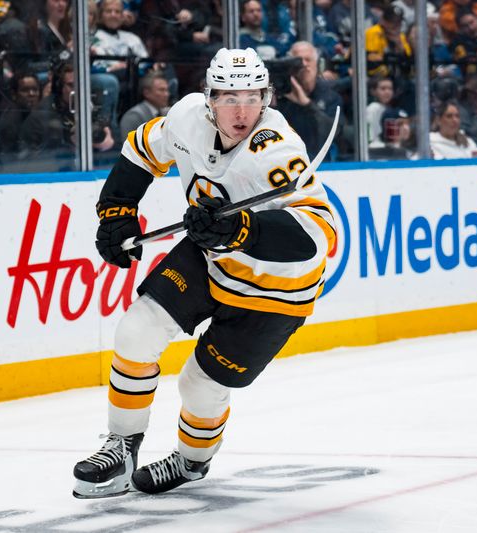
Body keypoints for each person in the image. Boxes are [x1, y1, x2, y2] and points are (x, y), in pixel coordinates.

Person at [73, 47, 336, 498]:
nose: (242, 110)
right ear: (208, 97)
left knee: (199, 383)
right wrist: (116, 212)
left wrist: (241, 227)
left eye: (253, 97)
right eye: (229, 97)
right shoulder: (187, 119)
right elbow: (140, 151)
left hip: (276, 290)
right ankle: (121, 446)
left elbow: (319, 238)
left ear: (267, 99)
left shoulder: (277, 150)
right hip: (210, 255)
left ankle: (192, 461)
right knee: (136, 331)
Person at [273, 41, 343, 161]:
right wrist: (271, 106)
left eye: (308, 59)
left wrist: (306, 103)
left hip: (321, 166)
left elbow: (332, 133)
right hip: (284, 164)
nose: (304, 64)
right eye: (298, 61)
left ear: (317, 64)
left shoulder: (331, 96)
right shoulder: (279, 95)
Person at [119, 72, 170, 136]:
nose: (166, 94)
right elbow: (128, 144)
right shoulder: (133, 116)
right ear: (147, 93)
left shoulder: (166, 113)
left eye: (167, 90)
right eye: (161, 90)